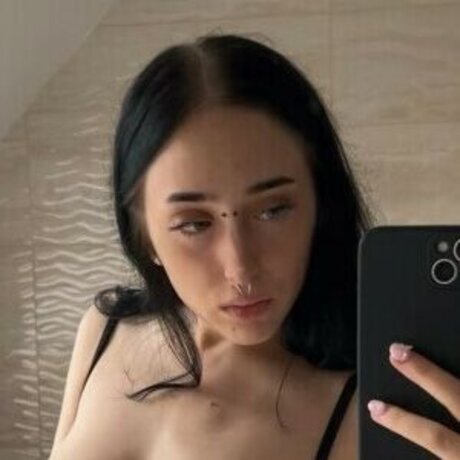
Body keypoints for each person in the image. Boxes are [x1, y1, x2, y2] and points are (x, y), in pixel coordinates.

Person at [49, 33, 375, 460]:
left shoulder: (364, 407)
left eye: (273, 211)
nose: (240, 268)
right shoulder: (105, 329)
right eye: (194, 224)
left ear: (321, 206)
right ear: (144, 234)